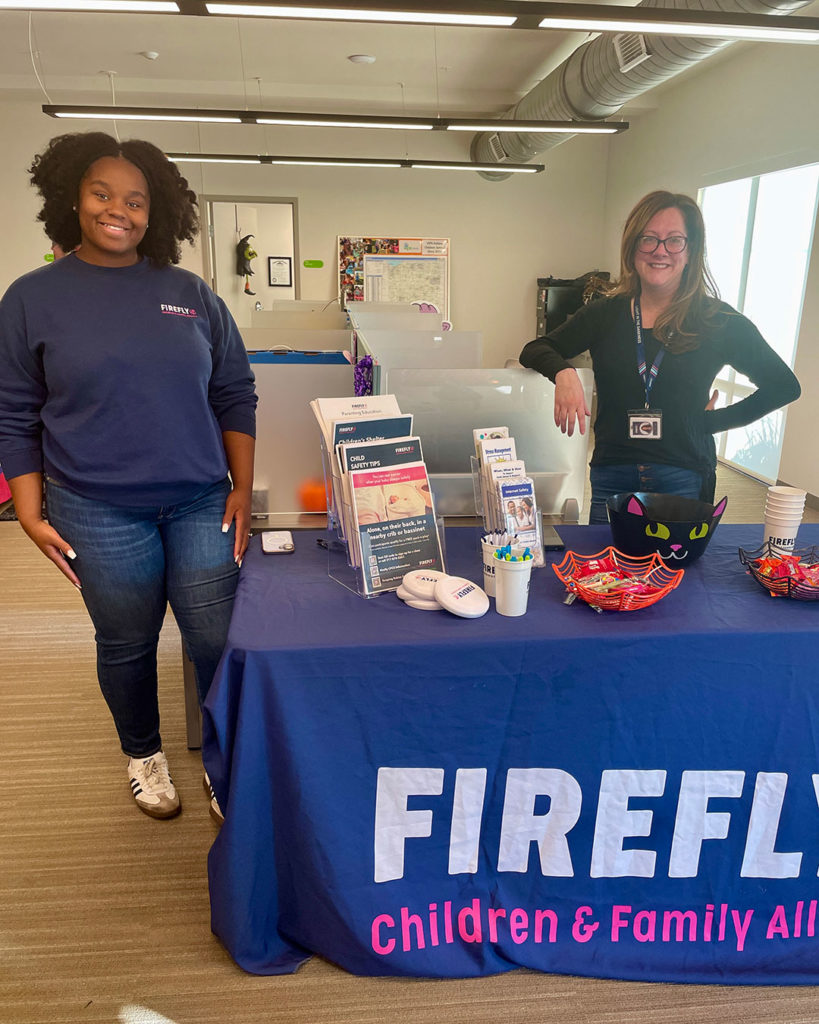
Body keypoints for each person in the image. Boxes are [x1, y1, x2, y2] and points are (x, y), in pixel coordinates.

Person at [0, 131, 257, 821]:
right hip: (96, 508)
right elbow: (13, 413)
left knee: (214, 640)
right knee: (126, 642)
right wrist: (27, 511)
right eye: (102, 193)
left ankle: (225, 761)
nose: (120, 210)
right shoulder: (31, 297)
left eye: (137, 200)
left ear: (158, 211)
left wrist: (240, 486)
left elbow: (235, 392)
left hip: (201, 498)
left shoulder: (189, 293)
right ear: (71, 200)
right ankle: (144, 758)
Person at [520, 190, 801, 524]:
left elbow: (784, 386)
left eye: (674, 240)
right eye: (648, 239)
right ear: (632, 247)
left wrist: (712, 423)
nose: (659, 251)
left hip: (683, 473)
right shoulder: (605, 315)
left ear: (691, 249)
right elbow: (535, 350)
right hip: (613, 472)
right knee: (606, 573)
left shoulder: (717, 321)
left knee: (675, 573)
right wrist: (564, 374)